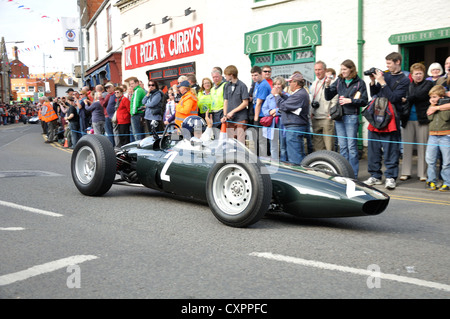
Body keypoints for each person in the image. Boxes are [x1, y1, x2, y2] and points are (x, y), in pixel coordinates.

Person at [364, 52, 410, 190]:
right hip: (377, 114)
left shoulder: (404, 79)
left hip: (391, 117)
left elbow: (394, 98)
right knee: (373, 150)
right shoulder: (385, 74)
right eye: (386, 63)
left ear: (397, 62)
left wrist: (383, 82)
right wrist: (373, 81)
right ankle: (375, 176)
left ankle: (390, 177)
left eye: (389, 63)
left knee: (391, 150)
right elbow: (374, 94)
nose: (387, 66)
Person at [324, 59, 368, 179]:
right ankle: (344, 173)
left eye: (344, 69)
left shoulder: (359, 83)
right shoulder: (339, 81)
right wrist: (327, 85)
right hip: (339, 117)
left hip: (351, 117)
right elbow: (328, 97)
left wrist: (351, 101)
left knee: (352, 147)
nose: (342, 72)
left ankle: (353, 175)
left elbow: (364, 101)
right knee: (342, 147)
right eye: (341, 69)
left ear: (351, 69)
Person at [400, 63, 434, 182]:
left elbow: (421, 95)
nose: (418, 76)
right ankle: (405, 172)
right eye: (416, 74)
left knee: (422, 147)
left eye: (420, 73)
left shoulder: (429, 84)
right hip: (408, 119)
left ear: (423, 74)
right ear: (412, 75)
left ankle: (422, 173)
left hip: (422, 120)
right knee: (407, 147)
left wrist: (407, 98)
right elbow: (401, 98)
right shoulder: (408, 85)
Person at [272, 72, 310, 165]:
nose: (289, 84)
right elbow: (288, 101)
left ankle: (299, 174)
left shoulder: (300, 94)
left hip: (295, 127)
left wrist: (276, 96)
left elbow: (283, 106)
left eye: (290, 82)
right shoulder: (299, 93)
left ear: (296, 83)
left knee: (295, 156)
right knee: (297, 153)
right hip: (294, 127)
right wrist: (281, 94)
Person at [425, 85, 450, 192]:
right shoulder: (431, 106)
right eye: (431, 97)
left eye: (435, 97)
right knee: (430, 160)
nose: (432, 99)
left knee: (446, 162)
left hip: (445, 136)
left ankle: (447, 182)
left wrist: (439, 107)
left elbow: (446, 118)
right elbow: (429, 117)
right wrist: (432, 106)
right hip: (433, 136)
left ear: (441, 97)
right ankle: (432, 181)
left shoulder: (446, 108)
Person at [310, 61, 338, 151]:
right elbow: (312, 99)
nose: (317, 72)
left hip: (326, 118)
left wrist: (330, 114)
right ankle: (320, 164)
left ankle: (330, 165)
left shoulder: (331, 82)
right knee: (318, 147)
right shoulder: (314, 83)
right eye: (315, 70)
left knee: (329, 146)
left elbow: (335, 99)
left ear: (325, 70)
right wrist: (311, 112)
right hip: (316, 117)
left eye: (319, 69)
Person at [261, 76, 288, 161]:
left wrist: (275, 111)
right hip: (272, 124)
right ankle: (275, 162)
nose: (277, 86)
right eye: (275, 84)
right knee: (273, 145)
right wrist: (269, 112)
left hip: (282, 123)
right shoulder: (269, 97)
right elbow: (264, 109)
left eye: (279, 84)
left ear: (282, 85)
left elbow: (285, 109)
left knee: (283, 146)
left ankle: (284, 162)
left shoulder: (286, 96)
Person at [221, 65, 249, 145]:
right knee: (230, 142)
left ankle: (241, 157)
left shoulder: (242, 86)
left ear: (231, 75)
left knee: (240, 143)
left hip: (241, 119)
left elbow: (245, 103)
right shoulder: (226, 86)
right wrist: (225, 115)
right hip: (230, 120)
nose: (225, 77)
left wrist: (232, 112)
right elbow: (225, 101)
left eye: (226, 75)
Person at [249, 65, 271, 156]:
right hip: (257, 114)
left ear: (261, 74)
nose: (254, 77)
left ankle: (264, 157)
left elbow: (258, 103)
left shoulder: (263, 85)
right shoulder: (256, 83)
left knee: (262, 139)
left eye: (256, 75)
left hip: (262, 116)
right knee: (256, 139)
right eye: (252, 75)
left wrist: (255, 119)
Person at [102, 82, 116, 146]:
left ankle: (112, 145)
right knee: (110, 132)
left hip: (111, 116)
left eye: (109, 88)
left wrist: (100, 98)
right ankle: (112, 145)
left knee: (112, 131)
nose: (108, 90)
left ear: (112, 87)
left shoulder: (112, 95)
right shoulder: (109, 95)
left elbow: (103, 104)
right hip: (108, 115)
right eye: (107, 88)